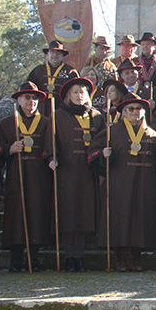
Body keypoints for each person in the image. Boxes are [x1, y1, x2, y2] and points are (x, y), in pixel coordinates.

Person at [100, 93, 156, 272]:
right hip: (120, 184)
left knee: (140, 221)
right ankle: (121, 259)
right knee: (121, 220)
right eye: (131, 109)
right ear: (123, 112)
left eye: (139, 108)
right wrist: (103, 156)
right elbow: (95, 154)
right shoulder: (113, 131)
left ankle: (135, 258)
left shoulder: (152, 134)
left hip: (144, 184)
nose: (135, 112)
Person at [0, 82, 53, 272]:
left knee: (37, 213)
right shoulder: (6, 123)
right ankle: (15, 258)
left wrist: (51, 158)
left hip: (39, 175)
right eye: (27, 97)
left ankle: (33, 258)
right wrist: (9, 149)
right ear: (19, 99)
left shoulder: (46, 123)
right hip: (16, 174)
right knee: (16, 214)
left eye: (35, 98)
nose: (31, 102)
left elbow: (51, 146)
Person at [49, 76, 106, 272]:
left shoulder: (97, 116)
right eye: (75, 92)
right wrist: (51, 156)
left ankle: (79, 256)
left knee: (84, 213)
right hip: (67, 170)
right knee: (68, 212)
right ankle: (68, 255)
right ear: (68, 96)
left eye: (82, 92)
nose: (79, 95)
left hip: (89, 171)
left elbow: (103, 140)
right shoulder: (59, 115)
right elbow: (52, 140)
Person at [27, 39, 78, 115]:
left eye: (58, 52)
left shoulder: (71, 72)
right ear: (47, 54)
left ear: (62, 55)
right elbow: (28, 90)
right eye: (52, 52)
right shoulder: (37, 71)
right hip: (40, 111)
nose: (55, 55)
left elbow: (76, 92)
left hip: (63, 111)